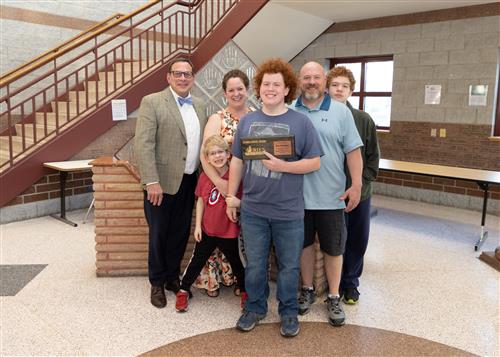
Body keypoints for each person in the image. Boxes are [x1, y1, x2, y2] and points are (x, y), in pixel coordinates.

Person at [226, 58, 323, 338]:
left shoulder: (300, 123)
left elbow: (315, 162)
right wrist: (232, 195)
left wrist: (284, 167)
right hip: (254, 210)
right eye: (266, 84)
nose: (270, 88)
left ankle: (288, 312)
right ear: (259, 88)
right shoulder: (248, 122)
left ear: (286, 89)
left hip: (289, 212)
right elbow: (236, 162)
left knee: (289, 266)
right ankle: (255, 308)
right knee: (255, 265)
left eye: (276, 84)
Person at [292, 61, 363, 326]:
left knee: (334, 249)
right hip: (297, 197)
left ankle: (333, 296)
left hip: (332, 196)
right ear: (300, 80)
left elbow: (353, 151)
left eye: (316, 77)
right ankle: (307, 290)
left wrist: (355, 185)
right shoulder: (290, 110)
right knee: (304, 246)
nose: (311, 82)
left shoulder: (340, 112)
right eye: (306, 77)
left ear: (325, 81)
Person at [134, 58, 206, 308]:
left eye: (187, 74)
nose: (183, 78)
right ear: (168, 77)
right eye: (178, 73)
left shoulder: (200, 104)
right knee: (158, 234)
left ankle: (172, 278)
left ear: (193, 78)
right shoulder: (152, 102)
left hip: (189, 182)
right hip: (160, 184)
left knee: (179, 233)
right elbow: (144, 144)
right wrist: (151, 181)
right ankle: (156, 282)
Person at [194, 69, 254, 298]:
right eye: (231, 90)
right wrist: (219, 182)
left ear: (247, 90)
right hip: (221, 188)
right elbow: (204, 153)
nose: (236, 93)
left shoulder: (256, 116)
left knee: (245, 235)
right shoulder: (217, 118)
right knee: (219, 231)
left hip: (249, 189)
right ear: (224, 93)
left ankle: (245, 280)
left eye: (240, 89)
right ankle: (215, 279)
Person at [327, 66, 380, 305]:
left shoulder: (363, 120)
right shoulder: (321, 116)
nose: (339, 90)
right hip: (332, 192)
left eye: (344, 86)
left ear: (351, 91)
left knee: (357, 238)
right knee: (338, 239)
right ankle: (333, 285)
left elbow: (372, 158)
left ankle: (351, 284)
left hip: (359, 191)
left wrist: (361, 185)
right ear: (327, 89)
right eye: (335, 85)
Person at [175, 135, 246, 312]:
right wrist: (198, 226)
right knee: (196, 260)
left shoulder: (235, 175)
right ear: (207, 158)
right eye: (212, 153)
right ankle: (183, 290)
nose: (217, 156)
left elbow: (241, 200)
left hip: (229, 230)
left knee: (238, 262)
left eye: (220, 152)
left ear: (228, 154)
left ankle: (245, 292)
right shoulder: (205, 177)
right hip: (208, 229)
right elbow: (200, 201)